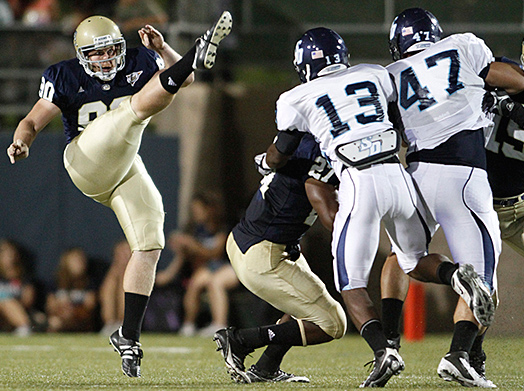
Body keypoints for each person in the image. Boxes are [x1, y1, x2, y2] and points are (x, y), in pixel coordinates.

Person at [253, 27, 495, 388]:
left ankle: (384, 350)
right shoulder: (375, 74)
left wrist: (265, 162)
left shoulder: (295, 98)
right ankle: (455, 275)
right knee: (413, 260)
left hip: (358, 181)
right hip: (397, 174)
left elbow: (282, 150)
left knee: (350, 282)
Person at [6, 10, 232, 377]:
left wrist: (165, 49)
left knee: (149, 243)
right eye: (96, 53)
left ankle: (128, 335)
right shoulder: (64, 75)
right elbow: (33, 120)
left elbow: (184, 79)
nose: (105, 59)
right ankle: (199, 48)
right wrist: (21, 141)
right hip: (85, 159)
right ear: (81, 55)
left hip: (124, 164)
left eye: (111, 50)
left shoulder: (139, 59)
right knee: (132, 111)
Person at [384, 7, 524, 387]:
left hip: (412, 176)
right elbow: (512, 80)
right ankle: (461, 354)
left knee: (408, 260)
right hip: (462, 173)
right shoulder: (462, 46)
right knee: (483, 275)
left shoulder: (390, 76)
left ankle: (389, 344)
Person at [213, 131, 346, 383]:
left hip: (250, 239)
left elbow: (274, 156)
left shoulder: (300, 138)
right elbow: (331, 216)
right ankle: (241, 340)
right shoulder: (321, 149)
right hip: (264, 254)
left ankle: (265, 368)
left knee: (302, 303)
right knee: (333, 323)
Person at [162, 191, 238, 337]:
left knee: (216, 282)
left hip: (230, 267)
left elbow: (216, 253)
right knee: (195, 283)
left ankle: (219, 325)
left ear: (209, 209)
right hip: (210, 268)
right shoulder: (197, 229)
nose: (195, 213)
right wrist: (182, 247)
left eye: (198, 209)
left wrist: (192, 244)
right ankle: (188, 325)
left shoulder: (224, 227)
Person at [45, 247, 98, 332]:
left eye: (81, 260)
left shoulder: (89, 283)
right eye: (75, 260)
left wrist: (73, 311)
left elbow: (90, 306)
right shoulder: (56, 282)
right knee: (54, 322)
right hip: (60, 319)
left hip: (80, 321)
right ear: (66, 263)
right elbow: (50, 306)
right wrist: (62, 309)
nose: (80, 263)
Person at [98, 239, 131, 336]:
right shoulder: (110, 276)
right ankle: (112, 326)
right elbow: (103, 297)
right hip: (111, 324)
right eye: (120, 252)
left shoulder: (144, 272)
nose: (124, 256)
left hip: (133, 323)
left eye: (126, 251)